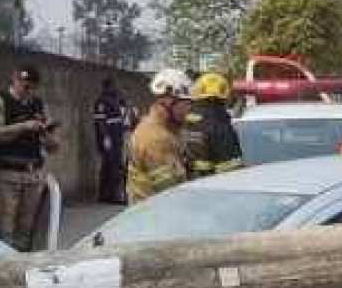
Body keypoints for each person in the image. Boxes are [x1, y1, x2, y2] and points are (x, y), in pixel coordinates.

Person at [0, 65, 60, 250]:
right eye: (23, 85)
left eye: (31, 86)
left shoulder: (38, 105)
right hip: (6, 173)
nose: (27, 90)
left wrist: (46, 133)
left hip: (32, 173)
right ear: (14, 80)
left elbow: (54, 145)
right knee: (4, 230)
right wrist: (23, 127)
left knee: (27, 230)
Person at [127, 69, 191, 203]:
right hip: (154, 217)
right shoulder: (155, 138)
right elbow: (170, 193)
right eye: (184, 103)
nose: (188, 110)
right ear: (168, 102)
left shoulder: (164, 130)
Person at [179, 71, 245, 178]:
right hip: (212, 185)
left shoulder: (185, 121)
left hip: (188, 183)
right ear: (223, 97)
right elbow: (230, 168)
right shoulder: (219, 123)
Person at [90, 77, 134, 204]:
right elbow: (100, 121)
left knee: (113, 165)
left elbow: (123, 116)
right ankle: (112, 195)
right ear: (107, 87)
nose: (116, 88)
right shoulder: (101, 101)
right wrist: (105, 138)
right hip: (108, 136)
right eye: (113, 86)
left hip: (117, 135)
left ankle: (107, 194)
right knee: (112, 166)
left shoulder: (116, 100)